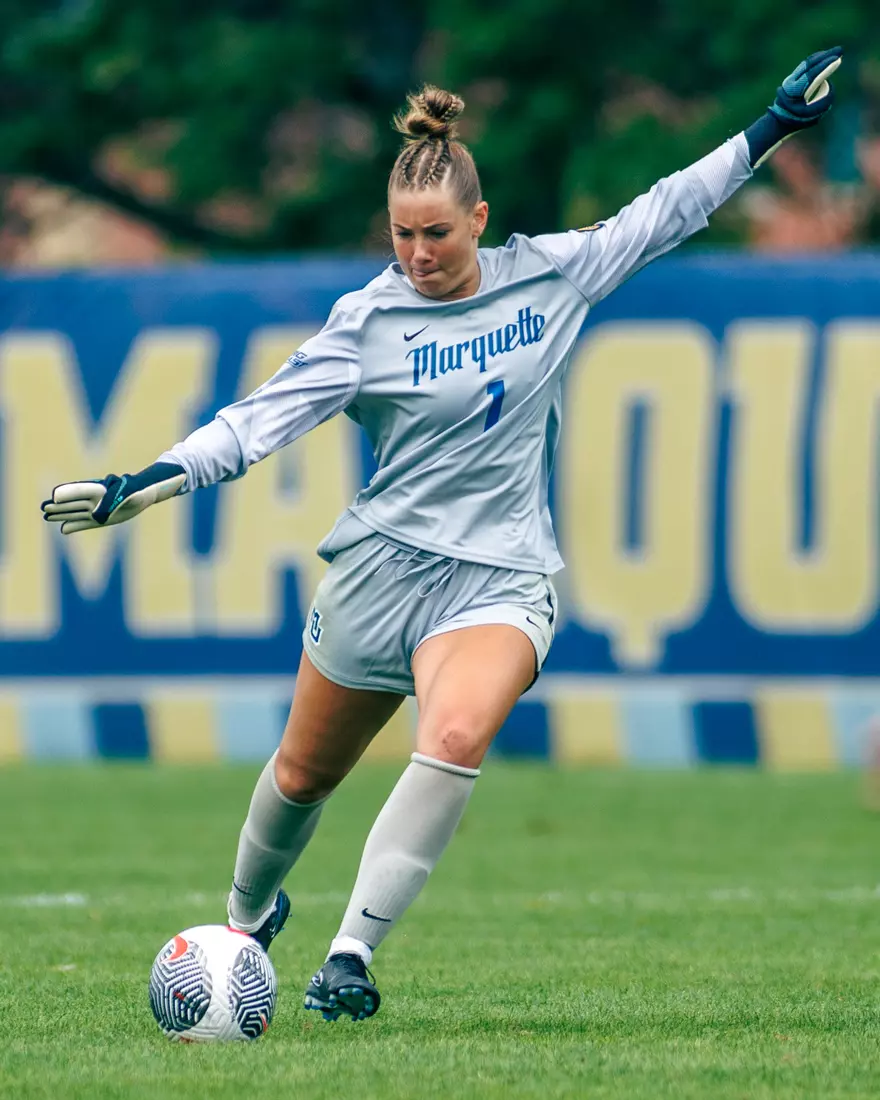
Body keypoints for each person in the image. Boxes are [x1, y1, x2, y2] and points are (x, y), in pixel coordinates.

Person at [42, 48, 842, 1022]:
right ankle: (244, 918)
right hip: (379, 572)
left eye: (435, 235)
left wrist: (771, 128)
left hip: (500, 575)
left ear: (477, 219)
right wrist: (143, 483)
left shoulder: (548, 276)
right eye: (400, 235)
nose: (417, 255)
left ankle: (349, 954)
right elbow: (256, 421)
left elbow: (663, 209)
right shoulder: (367, 320)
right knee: (300, 774)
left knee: (456, 732)